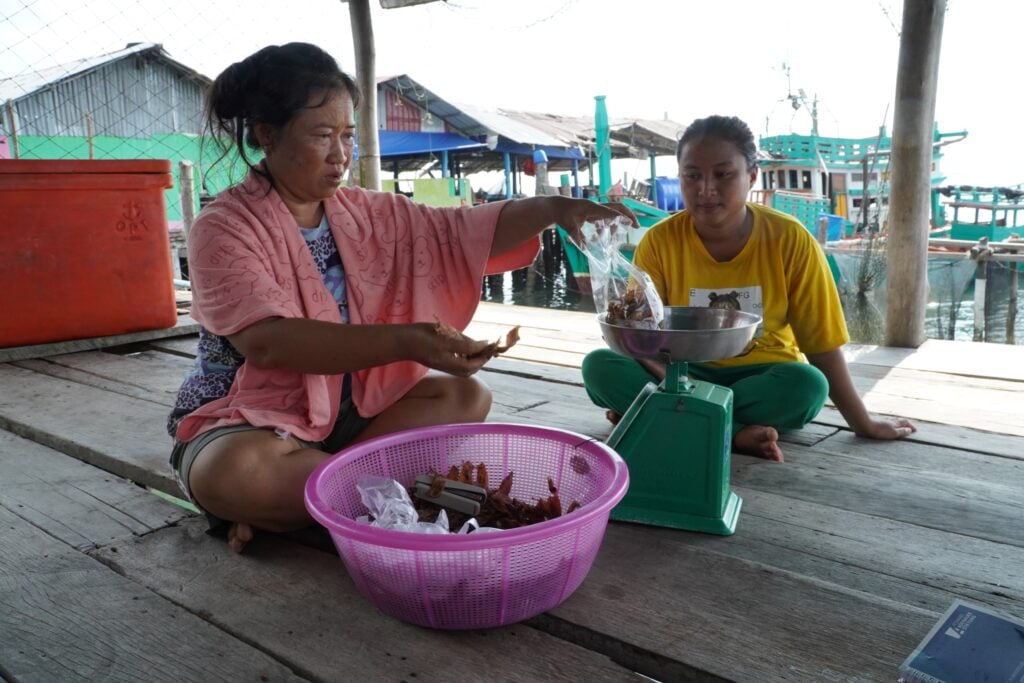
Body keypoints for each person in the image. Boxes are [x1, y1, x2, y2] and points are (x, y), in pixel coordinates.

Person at [167, 42, 635, 553]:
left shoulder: (370, 212)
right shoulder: (224, 226)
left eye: (347, 135)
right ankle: (319, 498)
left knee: (464, 395)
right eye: (322, 136)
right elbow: (268, 343)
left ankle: (310, 505)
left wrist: (552, 208)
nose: (341, 154)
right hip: (249, 421)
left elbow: (463, 233)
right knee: (241, 473)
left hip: (351, 416)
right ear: (265, 135)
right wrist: (409, 342)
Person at [581, 114, 915, 463]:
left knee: (807, 386)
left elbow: (821, 345)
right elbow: (641, 340)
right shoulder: (659, 242)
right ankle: (735, 431)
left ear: (752, 176)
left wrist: (862, 423)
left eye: (723, 175)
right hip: (679, 372)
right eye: (692, 176)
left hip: (761, 376)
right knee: (601, 367)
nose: (706, 189)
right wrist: (686, 386)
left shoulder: (790, 239)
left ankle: (667, 416)